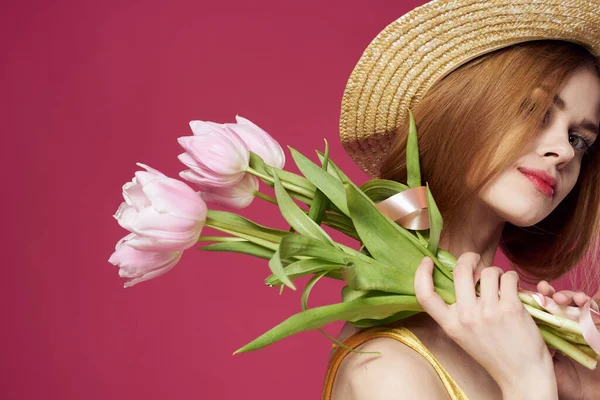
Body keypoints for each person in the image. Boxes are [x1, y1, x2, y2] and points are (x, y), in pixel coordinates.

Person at [322, 1, 600, 399]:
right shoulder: (386, 371)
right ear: (462, 112)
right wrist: (528, 383)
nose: (565, 151)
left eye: (580, 139)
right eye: (534, 110)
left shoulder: (531, 350)